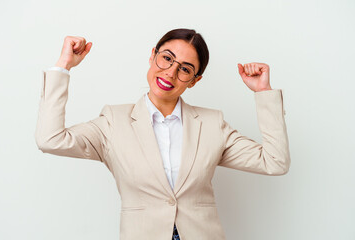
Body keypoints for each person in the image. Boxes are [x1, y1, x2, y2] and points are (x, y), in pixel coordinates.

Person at [35, 28, 290, 240]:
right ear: (152, 56)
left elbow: (275, 162)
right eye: (167, 58)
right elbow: (50, 139)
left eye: (185, 69)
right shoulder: (113, 121)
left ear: (194, 80)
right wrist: (63, 66)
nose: (170, 72)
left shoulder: (212, 124)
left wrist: (263, 92)